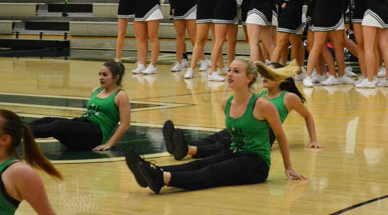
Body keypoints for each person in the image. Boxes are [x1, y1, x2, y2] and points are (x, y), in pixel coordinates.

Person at [126, 58, 305, 194]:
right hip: (235, 152)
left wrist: (288, 167)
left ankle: (162, 178)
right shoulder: (226, 103)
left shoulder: (263, 105)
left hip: (256, 163)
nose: (229, 74)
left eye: (236, 71)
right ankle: (152, 171)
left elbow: (280, 136)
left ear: (249, 78)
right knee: (199, 164)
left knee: (211, 172)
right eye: (229, 70)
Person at [30, 60, 130, 150]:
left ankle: (23, 133)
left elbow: (125, 125)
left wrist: (109, 144)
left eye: (105, 75)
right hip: (83, 125)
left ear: (116, 77)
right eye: (99, 74)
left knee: (59, 125)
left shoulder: (120, 95)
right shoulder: (96, 91)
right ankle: (22, 128)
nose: (101, 78)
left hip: (95, 133)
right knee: (48, 120)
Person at [303, 0, 351, 87]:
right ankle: (308, 76)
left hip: (336, 14)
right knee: (317, 46)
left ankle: (339, 76)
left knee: (339, 46)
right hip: (322, 14)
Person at [207, 0, 240, 79]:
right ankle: (212, 72)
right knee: (219, 42)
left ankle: (231, 69)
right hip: (221, 11)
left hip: (232, 11)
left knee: (232, 42)